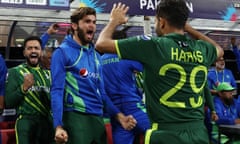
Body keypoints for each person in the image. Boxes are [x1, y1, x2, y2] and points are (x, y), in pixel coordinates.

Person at [95, 1, 224, 144]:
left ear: (162, 21)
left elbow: (101, 43)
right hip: (199, 134)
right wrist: (189, 29)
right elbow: (219, 49)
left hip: (166, 134)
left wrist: (114, 21)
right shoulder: (202, 49)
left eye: (156, 20)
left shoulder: (154, 46)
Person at [50, 7, 136, 144]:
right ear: (74, 26)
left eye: (94, 22)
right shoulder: (62, 53)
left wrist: (120, 116)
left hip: (97, 119)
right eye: (87, 21)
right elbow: (56, 91)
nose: (92, 25)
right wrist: (58, 126)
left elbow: (102, 93)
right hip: (75, 118)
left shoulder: (96, 56)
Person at [101, 30, 150, 144]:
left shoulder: (99, 61)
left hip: (117, 114)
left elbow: (101, 92)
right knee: (163, 135)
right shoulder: (127, 56)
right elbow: (150, 69)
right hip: (135, 108)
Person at [5, 36, 54, 144]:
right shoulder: (15, 72)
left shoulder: (49, 74)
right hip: (26, 122)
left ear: (41, 52)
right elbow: (8, 102)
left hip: (47, 122)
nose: (33, 51)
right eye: (30, 48)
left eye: (36, 48)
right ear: (24, 52)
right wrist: (24, 88)